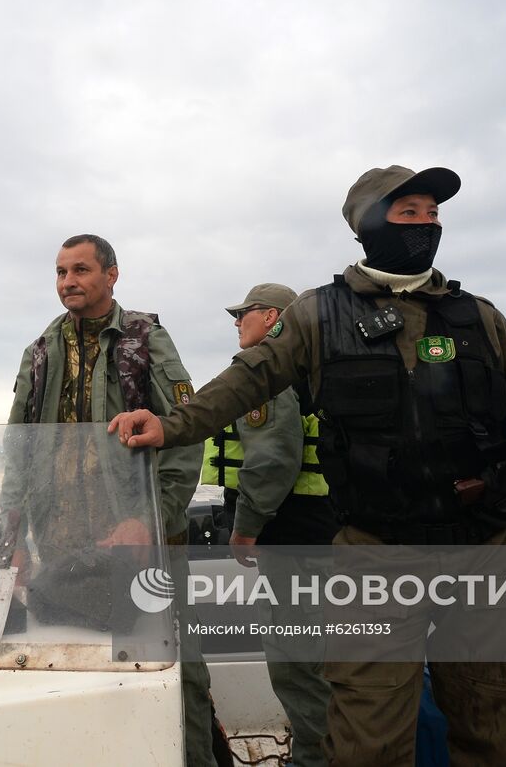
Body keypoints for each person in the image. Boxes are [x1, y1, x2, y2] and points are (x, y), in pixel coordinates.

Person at [110, 167, 506, 767]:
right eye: (410, 214)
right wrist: (170, 425)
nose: (427, 225)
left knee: (498, 727)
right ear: (370, 224)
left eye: (432, 214)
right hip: (377, 554)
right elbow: (249, 380)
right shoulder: (318, 317)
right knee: (367, 739)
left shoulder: (477, 315)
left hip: (488, 547)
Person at [7, 233, 215, 767]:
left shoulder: (146, 339)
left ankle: (195, 758)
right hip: (62, 538)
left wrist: (150, 522)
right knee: (73, 656)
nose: (68, 282)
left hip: (141, 538)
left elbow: (186, 433)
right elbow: (18, 448)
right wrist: (15, 539)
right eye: (60, 272)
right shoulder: (40, 351)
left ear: (111, 275)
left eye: (81, 270)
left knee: (175, 662)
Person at [200, 282, 335, 767]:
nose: (237, 321)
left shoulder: (270, 377)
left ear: (274, 317)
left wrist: (245, 527)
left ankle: (315, 760)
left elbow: (273, 459)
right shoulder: (312, 370)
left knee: (296, 660)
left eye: (245, 312)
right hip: (320, 535)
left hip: (293, 539)